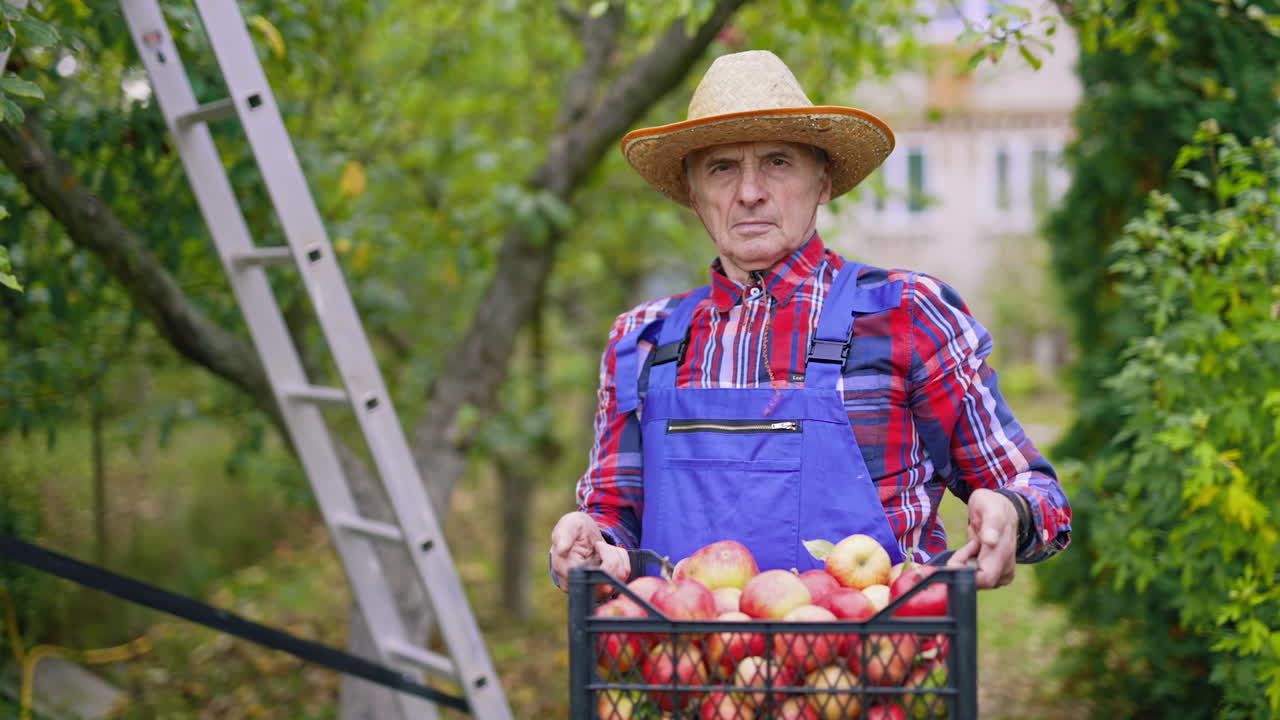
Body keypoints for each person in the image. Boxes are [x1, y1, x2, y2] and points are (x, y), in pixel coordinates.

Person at [550, 50, 1071, 593]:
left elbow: (1035, 491)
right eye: (722, 167)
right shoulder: (642, 341)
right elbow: (613, 521)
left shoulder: (906, 315)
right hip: (685, 668)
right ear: (692, 194)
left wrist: (1012, 510)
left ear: (822, 181)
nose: (749, 192)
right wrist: (592, 543)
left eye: (777, 161)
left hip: (871, 667)